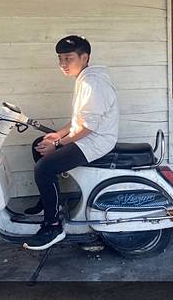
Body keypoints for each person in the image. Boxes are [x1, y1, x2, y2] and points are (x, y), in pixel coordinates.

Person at [23, 35, 119, 250]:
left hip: (96, 141)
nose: (63, 64)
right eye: (60, 59)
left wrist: (58, 145)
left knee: (44, 169)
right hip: (87, 135)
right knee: (39, 144)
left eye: (68, 58)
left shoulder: (93, 83)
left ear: (84, 57)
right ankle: (48, 203)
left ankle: (53, 225)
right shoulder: (85, 78)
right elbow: (80, 120)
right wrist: (57, 135)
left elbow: (88, 128)